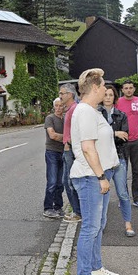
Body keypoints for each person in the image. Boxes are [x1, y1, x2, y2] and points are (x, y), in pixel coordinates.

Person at [71, 68, 121, 275]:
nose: (105, 90)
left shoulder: (93, 111)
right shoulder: (85, 112)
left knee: (98, 225)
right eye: (102, 87)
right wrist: (101, 176)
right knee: (90, 227)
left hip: (98, 175)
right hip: (90, 176)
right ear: (94, 88)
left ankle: (95, 266)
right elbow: (88, 148)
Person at [99, 85, 135, 237]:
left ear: (115, 97)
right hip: (102, 159)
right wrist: (114, 133)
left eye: (110, 95)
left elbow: (125, 137)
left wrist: (110, 135)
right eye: (105, 94)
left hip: (119, 158)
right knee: (103, 194)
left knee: (123, 193)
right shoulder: (96, 114)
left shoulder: (121, 115)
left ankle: (128, 225)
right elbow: (96, 136)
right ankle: (101, 225)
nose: (107, 97)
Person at [115, 80, 138, 208]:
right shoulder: (118, 102)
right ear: (122, 90)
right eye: (126, 88)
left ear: (134, 89)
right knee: (122, 171)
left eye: (130, 88)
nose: (128, 90)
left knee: (136, 171)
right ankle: (123, 198)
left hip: (136, 141)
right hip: (122, 142)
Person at [59, 83, 81, 222]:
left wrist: (69, 143)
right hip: (67, 149)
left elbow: (78, 129)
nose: (60, 96)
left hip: (70, 149)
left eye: (62, 93)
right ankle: (76, 210)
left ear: (70, 94)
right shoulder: (70, 109)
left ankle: (78, 212)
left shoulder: (75, 109)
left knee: (70, 181)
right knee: (66, 181)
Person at [43, 97, 65, 218]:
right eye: (56, 106)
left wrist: (63, 137)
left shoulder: (66, 118)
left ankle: (58, 207)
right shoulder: (50, 118)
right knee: (52, 182)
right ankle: (48, 208)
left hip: (63, 153)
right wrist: (67, 137)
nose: (58, 108)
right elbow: (52, 135)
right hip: (52, 152)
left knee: (60, 183)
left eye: (60, 105)